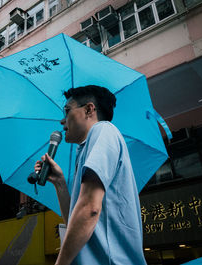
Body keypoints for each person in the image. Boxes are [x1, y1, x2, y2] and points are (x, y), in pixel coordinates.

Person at [35, 85, 147, 265]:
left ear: (89, 109)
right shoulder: (85, 149)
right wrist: (60, 184)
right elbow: (76, 222)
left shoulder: (103, 130)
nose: (62, 121)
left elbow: (89, 209)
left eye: (67, 111)